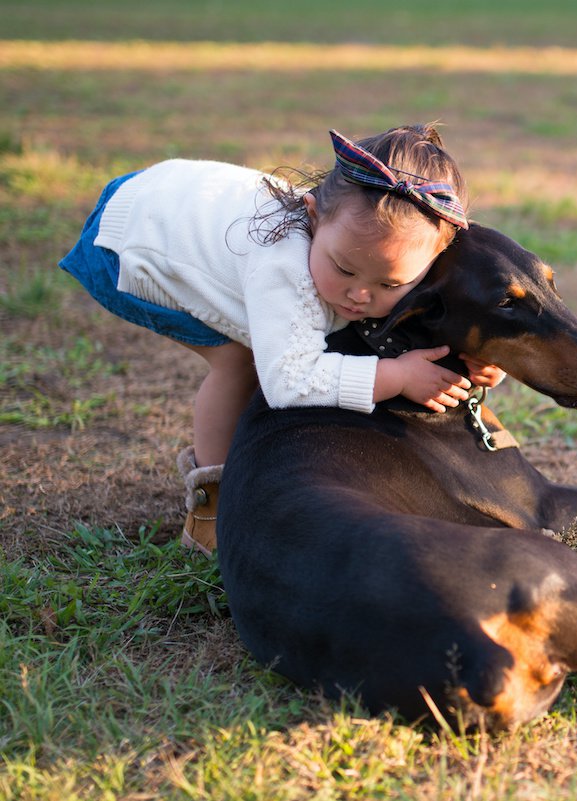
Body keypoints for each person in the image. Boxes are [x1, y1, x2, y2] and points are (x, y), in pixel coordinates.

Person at [59, 125, 504, 554]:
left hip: (180, 197)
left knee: (300, 330)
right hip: (133, 237)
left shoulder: (364, 251)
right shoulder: (284, 272)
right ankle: (210, 508)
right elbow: (291, 380)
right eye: (345, 270)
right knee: (240, 360)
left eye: (390, 285)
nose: (360, 294)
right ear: (313, 216)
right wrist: (394, 375)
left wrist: (472, 362)